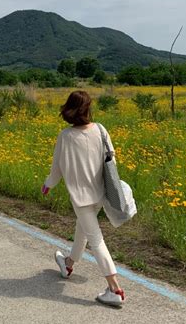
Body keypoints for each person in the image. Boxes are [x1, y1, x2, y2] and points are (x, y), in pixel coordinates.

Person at [42, 90, 125, 306]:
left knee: (96, 240)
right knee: (83, 230)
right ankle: (68, 263)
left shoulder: (65, 136)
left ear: (69, 108)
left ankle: (115, 289)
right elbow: (111, 160)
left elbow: (57, 169)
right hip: (100, 193)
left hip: (81, 198)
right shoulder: (100, 129)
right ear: (88, 108)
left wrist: (48, 185)